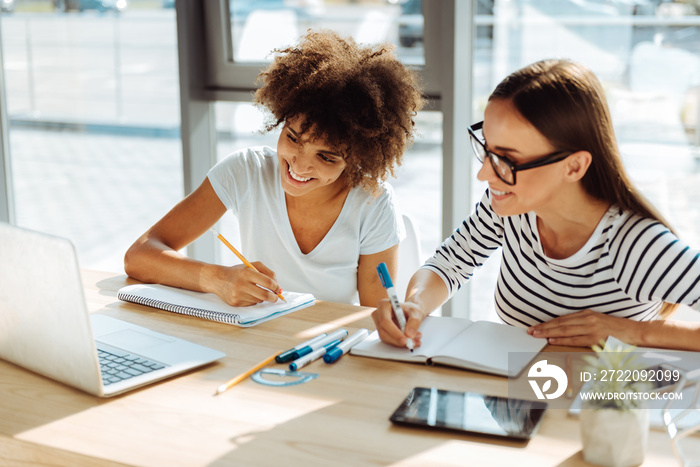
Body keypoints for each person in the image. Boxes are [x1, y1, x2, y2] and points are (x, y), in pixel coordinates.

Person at [372, 58, 700, 351]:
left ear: (573, 167)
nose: (484, 174)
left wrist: (628, 331)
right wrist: (414, 305)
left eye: (507, 160)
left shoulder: (635, 245)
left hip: (600, 411)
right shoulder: (514, 209)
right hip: (519, 401)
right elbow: (450, 264)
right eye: (487, 149)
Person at [124, 30, 424, 307]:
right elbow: (139, 256)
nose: (300, 164)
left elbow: (373, 319)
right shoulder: (245, 171)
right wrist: (217, 279)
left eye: (327, 157)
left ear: (357, 158)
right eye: (293, 137)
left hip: (327, 349)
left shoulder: (372, 202)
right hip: (255, 340)